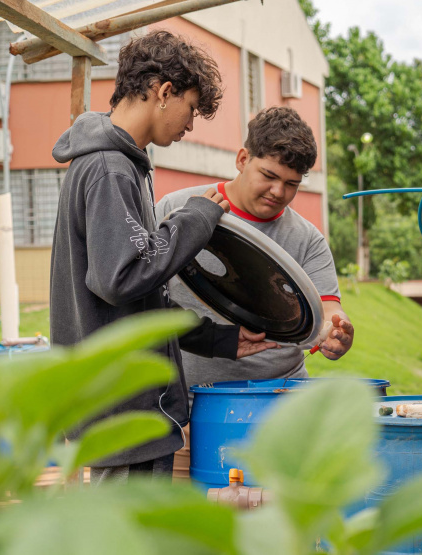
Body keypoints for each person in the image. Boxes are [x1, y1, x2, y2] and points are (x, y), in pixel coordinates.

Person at [50, 30, 276, 485]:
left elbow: (139, 300)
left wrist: (220, 340)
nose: (191, 125)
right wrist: (196, 219)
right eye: (191, 109)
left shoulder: (121, 165)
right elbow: (122, 278)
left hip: (120, 407)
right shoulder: (109, 169)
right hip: (125, 408)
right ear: (163, 91)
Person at [156, 107, 354, 387]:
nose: (278, 191)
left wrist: (336, 331)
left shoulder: (309, 239)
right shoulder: (176, 209)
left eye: (291, 184)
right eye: (269, 176)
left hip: (281, 395)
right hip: (188, 398)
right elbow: (141, 297)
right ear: (242, 159)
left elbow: (327, 311)